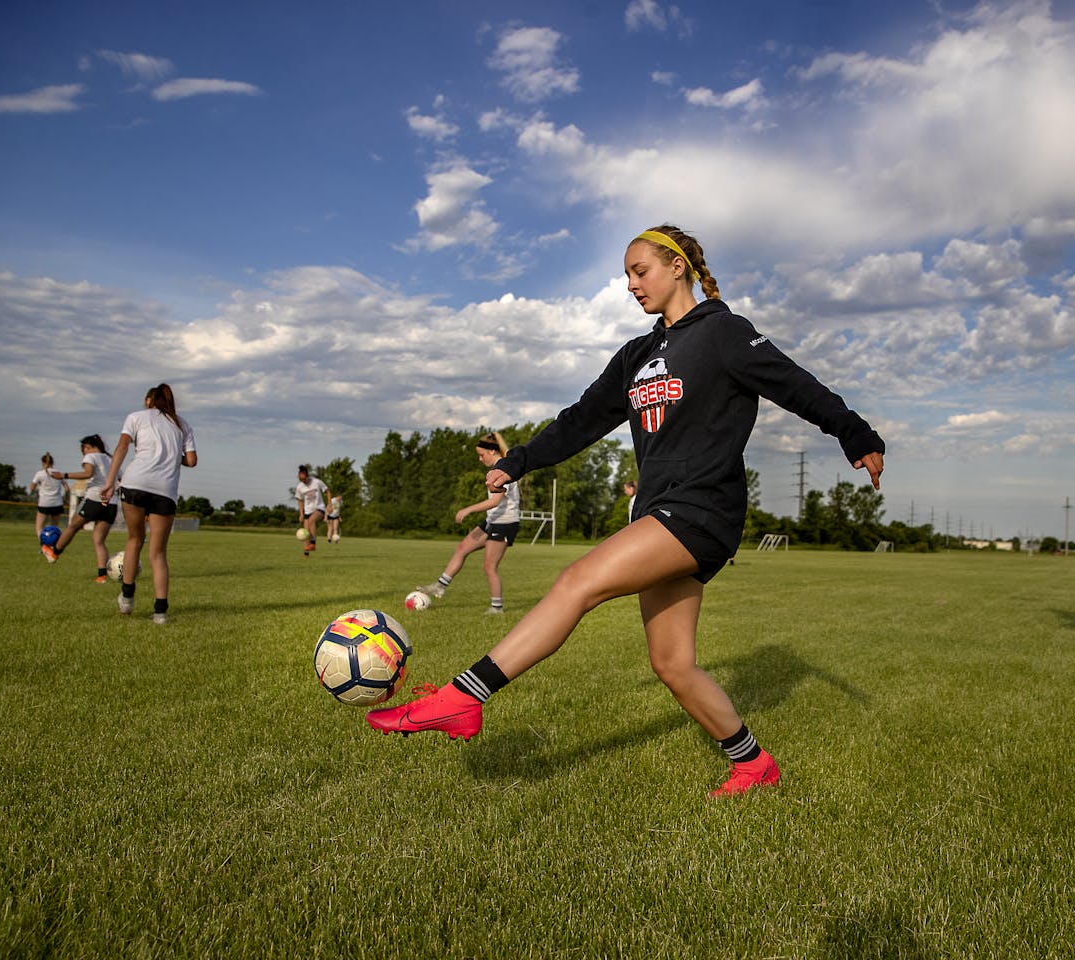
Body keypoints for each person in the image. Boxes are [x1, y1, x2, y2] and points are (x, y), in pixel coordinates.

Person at [368, 224, 886, 797]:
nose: (632, 285)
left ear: (678, 267)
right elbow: (581, 420)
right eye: (626, 277)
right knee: (673, 664)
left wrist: (855, 434)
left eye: (640, 272)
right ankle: (753, 765)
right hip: (659, 513)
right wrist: (520, 460)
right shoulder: (636, 355)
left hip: (703, 510)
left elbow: (797, 385)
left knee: (578, 580)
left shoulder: (724, 333)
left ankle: (463, 698)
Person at [101, 384, 197, 624]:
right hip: (165, 491)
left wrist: (110, 481)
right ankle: (160, 612)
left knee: (134, 541)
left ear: (148, 400)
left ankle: (127, 600)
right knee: (158, 553)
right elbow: (192, 461)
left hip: (135, 483)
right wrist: (172, 454)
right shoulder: (182, 424)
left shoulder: (136, 417)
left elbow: (122, 446)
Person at [414, 432, 521, 615]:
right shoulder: (497, 468)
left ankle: (497, 608)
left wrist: (468, 509)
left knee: (489, 566)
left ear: (493, 451)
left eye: (482, 454)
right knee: (462, 548)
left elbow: (495, 501)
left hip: (504, 523)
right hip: (491, 521)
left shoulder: (505, 470)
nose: (480, 459)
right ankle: (440, 586)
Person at [40, 435, 119, 581]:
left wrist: (63, 475)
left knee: (73, 527)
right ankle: (102, 576)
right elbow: (120, 479)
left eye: (83, 450)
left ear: (87, 447)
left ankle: (54, 552)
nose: (84, 454)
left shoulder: (91, 456)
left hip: (94, 499)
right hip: (111, 503)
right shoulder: (112, 459)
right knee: (99, 540)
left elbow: (88, 473)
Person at [29, 453, 68, 537]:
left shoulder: (39, 474)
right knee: (54, 528)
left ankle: (44, 546)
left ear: (43, 463)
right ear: (52, 462)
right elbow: (67, 489)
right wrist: (65, 499)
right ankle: (52, 546)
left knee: (39, 527)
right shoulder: (58, 473)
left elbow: (32, 487)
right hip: (57, 503)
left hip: (44, 502)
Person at [294, 465, 329, 557]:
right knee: (305, 532)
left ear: (307, 475)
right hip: (307, 511)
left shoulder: (317, 482)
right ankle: (306, 554)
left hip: (319, 508)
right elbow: (300, 500)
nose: (303, 482)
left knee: (311, 520)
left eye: (304, 479)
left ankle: (313, 544)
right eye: (301, 480)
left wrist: (329, 505)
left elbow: (327, 491)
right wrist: (301, 514)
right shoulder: (299, 487)